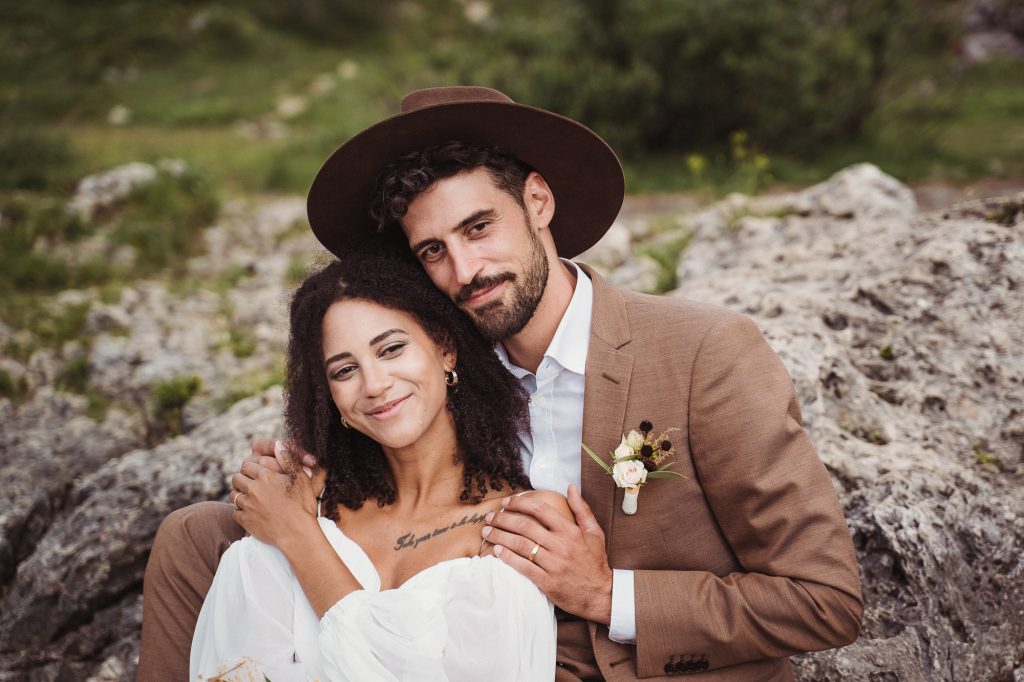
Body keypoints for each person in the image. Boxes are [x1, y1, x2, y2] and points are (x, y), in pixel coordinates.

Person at [139, 87, 863, 681]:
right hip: (465, 647)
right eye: (434, 251)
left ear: (539, 203)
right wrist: (302, 479)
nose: (466, 271)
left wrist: (605, 593)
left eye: (480, 227)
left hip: (632, 667)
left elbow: (824, 600)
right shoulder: (446, 363)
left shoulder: (704, 353)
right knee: (201, 536)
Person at [190, 252, 568, 680]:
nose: (374, 385)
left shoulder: (519, 523)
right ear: (330, 399)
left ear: (445, 349)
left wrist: (298, 537)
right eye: (345, 370)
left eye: (391, 349)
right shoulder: (305, 504)